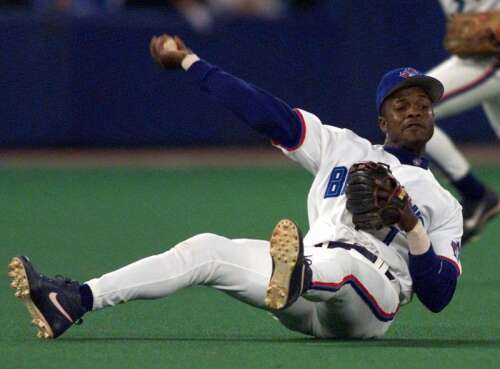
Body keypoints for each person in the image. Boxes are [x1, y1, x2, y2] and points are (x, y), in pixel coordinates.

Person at [8, 34, 462, 340]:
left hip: (369, 298)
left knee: (341, 261)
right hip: (303, 285)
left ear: (433, 118)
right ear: (382, 120)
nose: (415, 110)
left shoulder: (442, 203)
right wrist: (191, 62)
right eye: (401, 104)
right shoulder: (341, 146)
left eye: (424, 104)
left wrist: (412, 226)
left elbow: (439, 298)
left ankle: (296, 275)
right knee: (207, 250)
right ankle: (72, 299)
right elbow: (263, 110)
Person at [424, 0, 500, 243]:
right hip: (475, 60)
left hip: (492, 61)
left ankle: (476, 195)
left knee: (410, 105)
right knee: (409, 104)